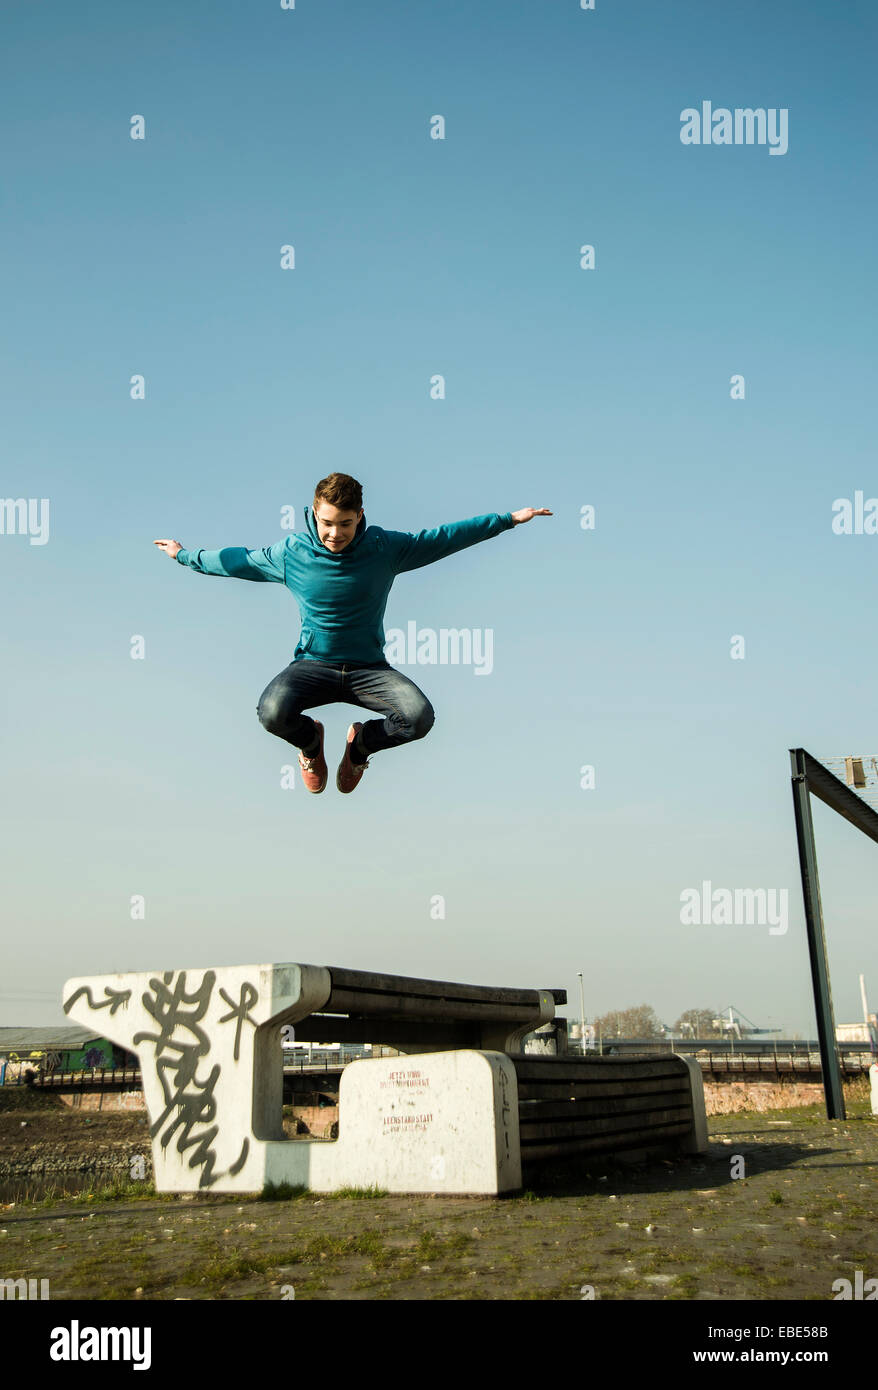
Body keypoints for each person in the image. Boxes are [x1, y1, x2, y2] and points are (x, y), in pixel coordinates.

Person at [155, 473, 551, 794]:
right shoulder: (292, 553)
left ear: (360, 515)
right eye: (327, 523)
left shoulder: (385, 548)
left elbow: (443, 538)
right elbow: (236, 560)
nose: (335, 533)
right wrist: (185, 555)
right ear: (314, 514)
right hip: (312, 667)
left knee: (419, 717)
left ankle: (359, 747)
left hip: (369, 671)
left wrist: (507, 520)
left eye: (345, 524)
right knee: (271, 713)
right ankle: (311, 743)